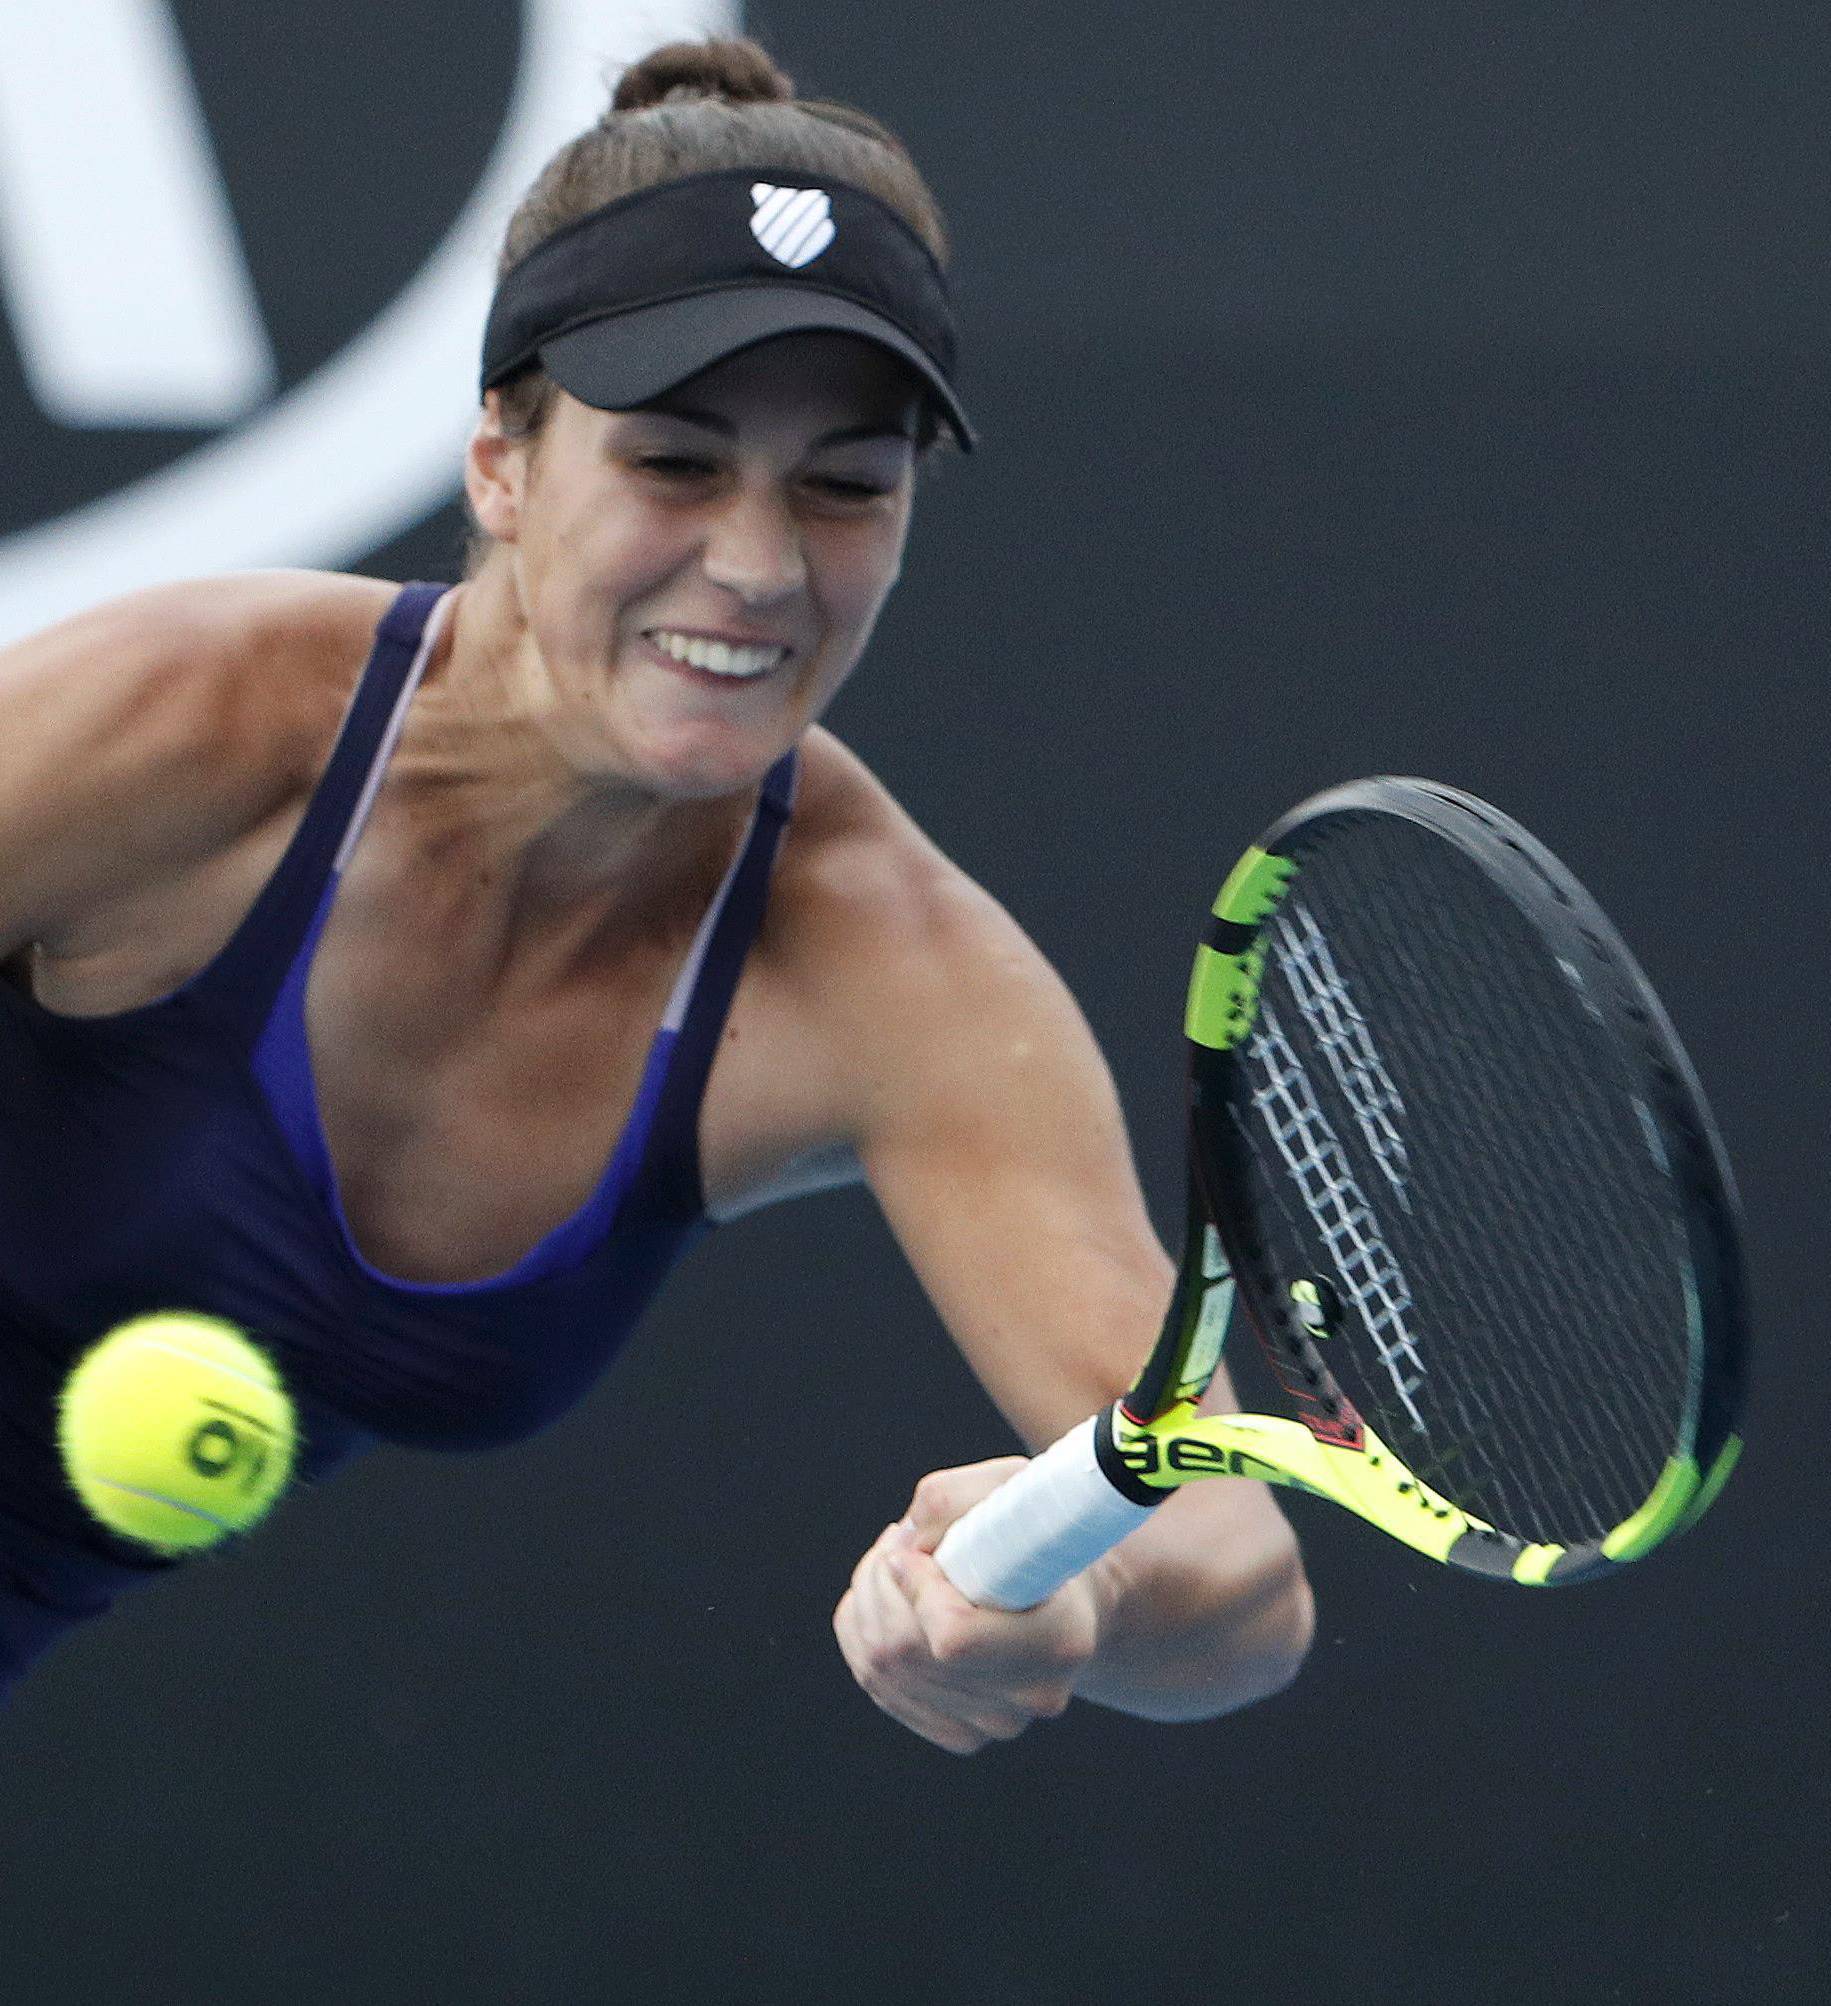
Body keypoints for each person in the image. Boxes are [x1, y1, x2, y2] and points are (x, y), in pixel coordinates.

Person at [0, 36, 1311, 1748]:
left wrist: (1078, 1601)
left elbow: (1238, 1566)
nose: (760, 566)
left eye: (846, 482)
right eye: (676, 463)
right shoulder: (190, 723)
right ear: (501, 463)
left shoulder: (887, 971)